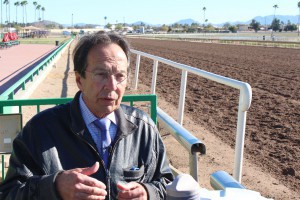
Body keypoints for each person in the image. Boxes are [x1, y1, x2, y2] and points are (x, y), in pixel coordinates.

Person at [0, 32, 174, 200]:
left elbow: (166, 183)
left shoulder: (144, 128)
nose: (112, 86)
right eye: (101, 75)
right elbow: (10, 193)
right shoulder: (40, 130)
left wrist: (148, 192)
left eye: (120, 76)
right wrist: (54, 187)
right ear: (79, 80)